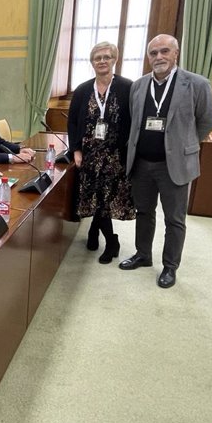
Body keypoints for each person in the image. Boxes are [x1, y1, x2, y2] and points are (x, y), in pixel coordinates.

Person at [119, 34, 212, 288]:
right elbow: (135, 120)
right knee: (144, 212)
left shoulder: (197, 84)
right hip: (141, 163)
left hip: (174, 165)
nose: (159, 57)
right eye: (153, 53)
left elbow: (207, 121)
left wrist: (183, 144)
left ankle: (170, 267)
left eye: (164, 51)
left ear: (176, 54)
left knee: (174, 219)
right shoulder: (139, 85)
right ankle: (142, 254)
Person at [68, 41, 135, 264]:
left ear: (114, 59)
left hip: (115, 155)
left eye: (107, 57)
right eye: (98, 58)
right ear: (92, 62)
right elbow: (73, 122)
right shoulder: (82, 89)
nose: (102, 61)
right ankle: (95, 232)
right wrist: (76, 150)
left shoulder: (127, 87)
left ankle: (111, 241)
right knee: (96, 196)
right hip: (89, 154)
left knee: (105, 199)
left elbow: (133, 122)